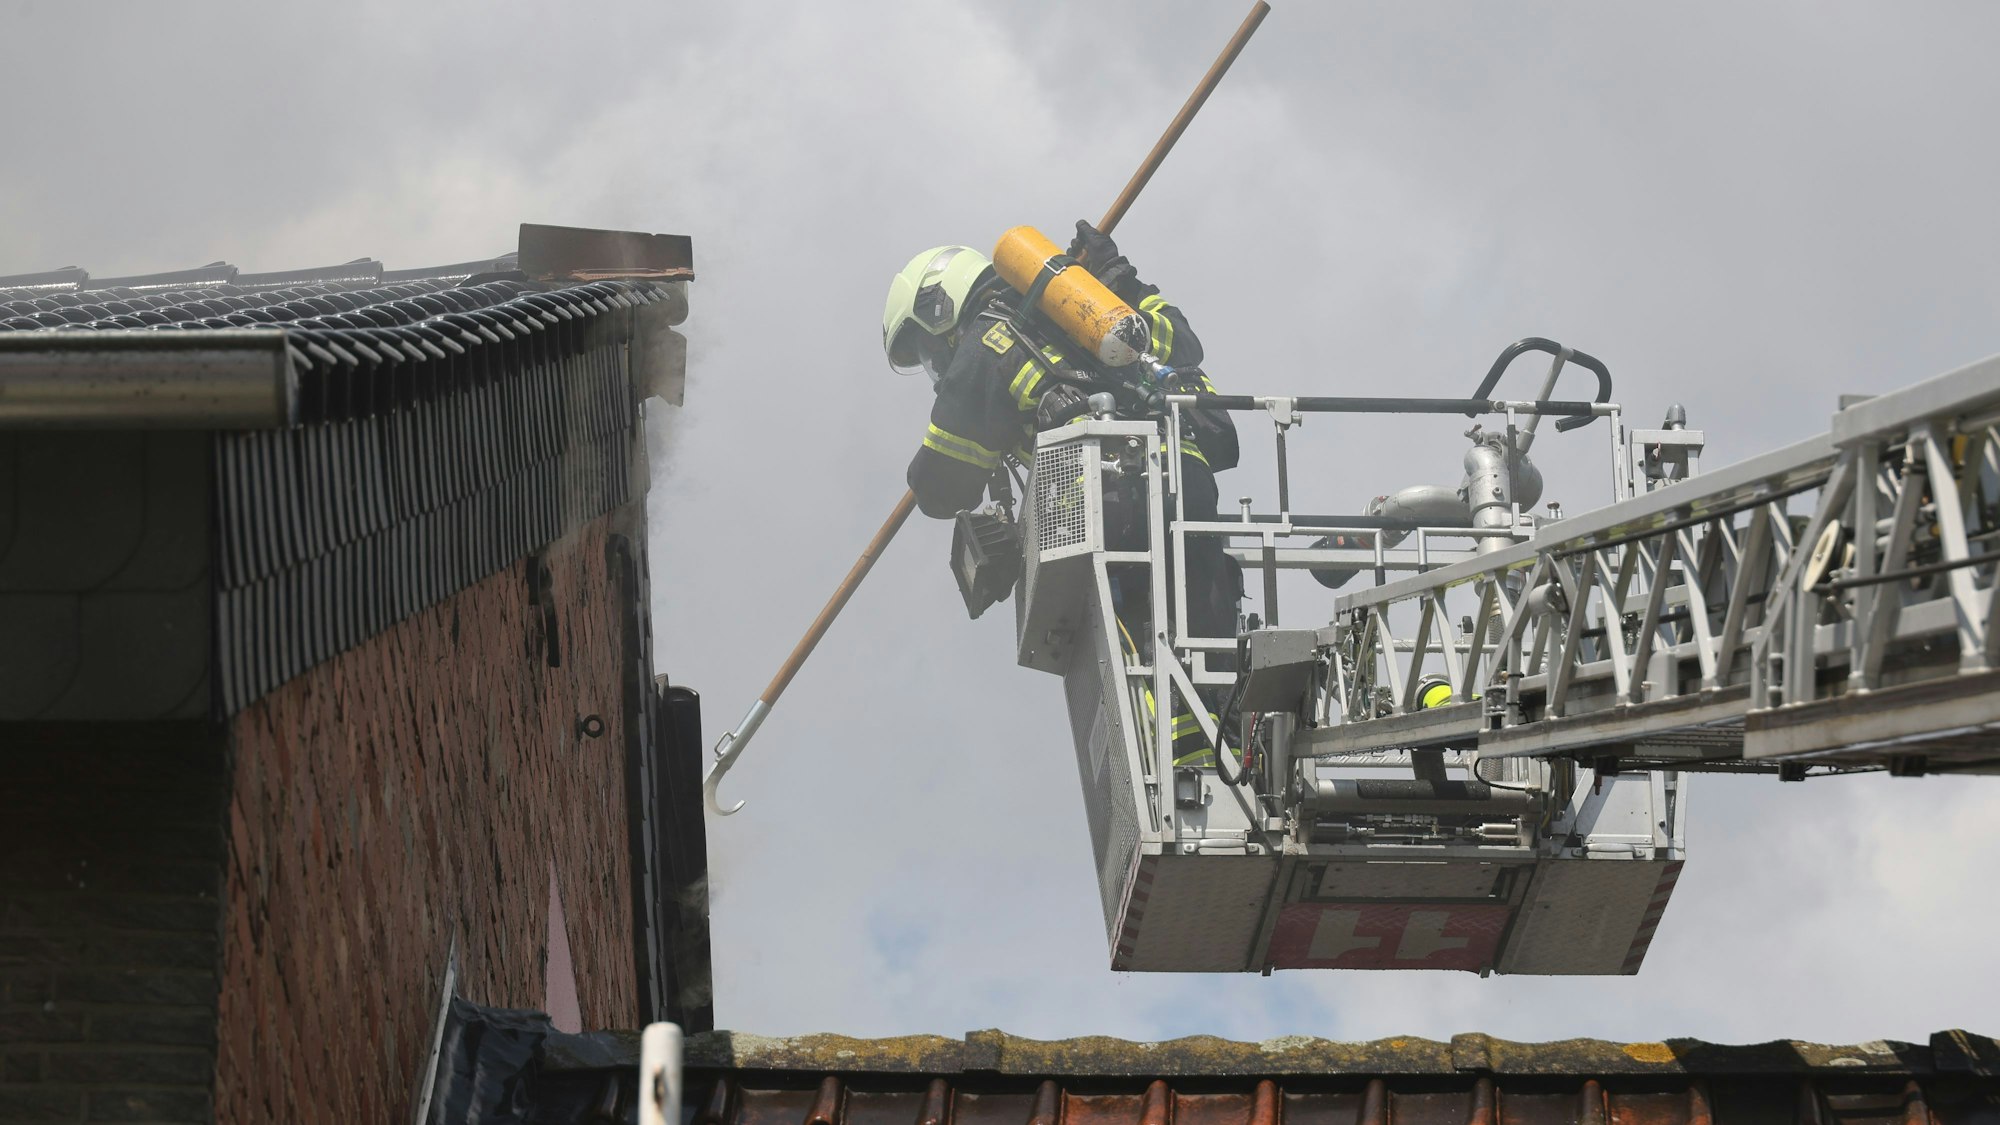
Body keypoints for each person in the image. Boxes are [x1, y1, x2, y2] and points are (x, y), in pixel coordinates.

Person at [881, 222, 1241, 766]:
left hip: (1108, 500)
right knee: (1202, 623)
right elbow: (1180, 344)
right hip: (1187, 483)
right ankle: (1228, 742)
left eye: (930, 349)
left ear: (941, 306)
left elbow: (939, 485)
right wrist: (1121, 280)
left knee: (1134, 636)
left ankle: (1184, 761)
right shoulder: (1090, 311)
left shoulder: (986, 339)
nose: (937, 366)